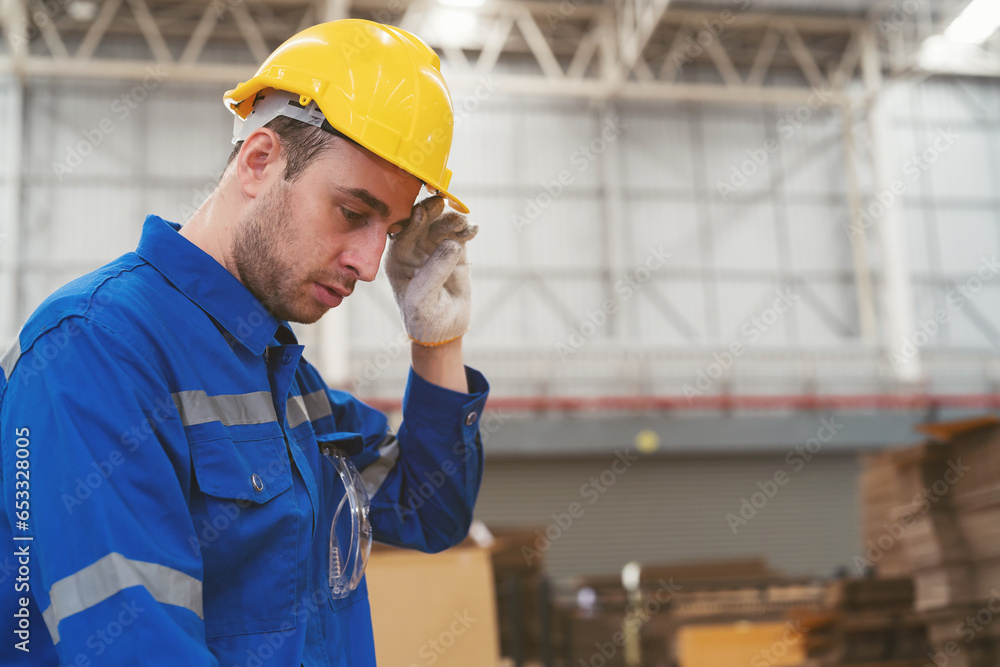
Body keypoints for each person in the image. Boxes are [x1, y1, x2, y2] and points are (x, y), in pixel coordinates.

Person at [0, 19, 488, 666]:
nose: (372, 264)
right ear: (260, 161)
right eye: (352, 212)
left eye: (391, 229)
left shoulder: (284, 380)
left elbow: (429, 511)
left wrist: (437, 341)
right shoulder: (97, 353)